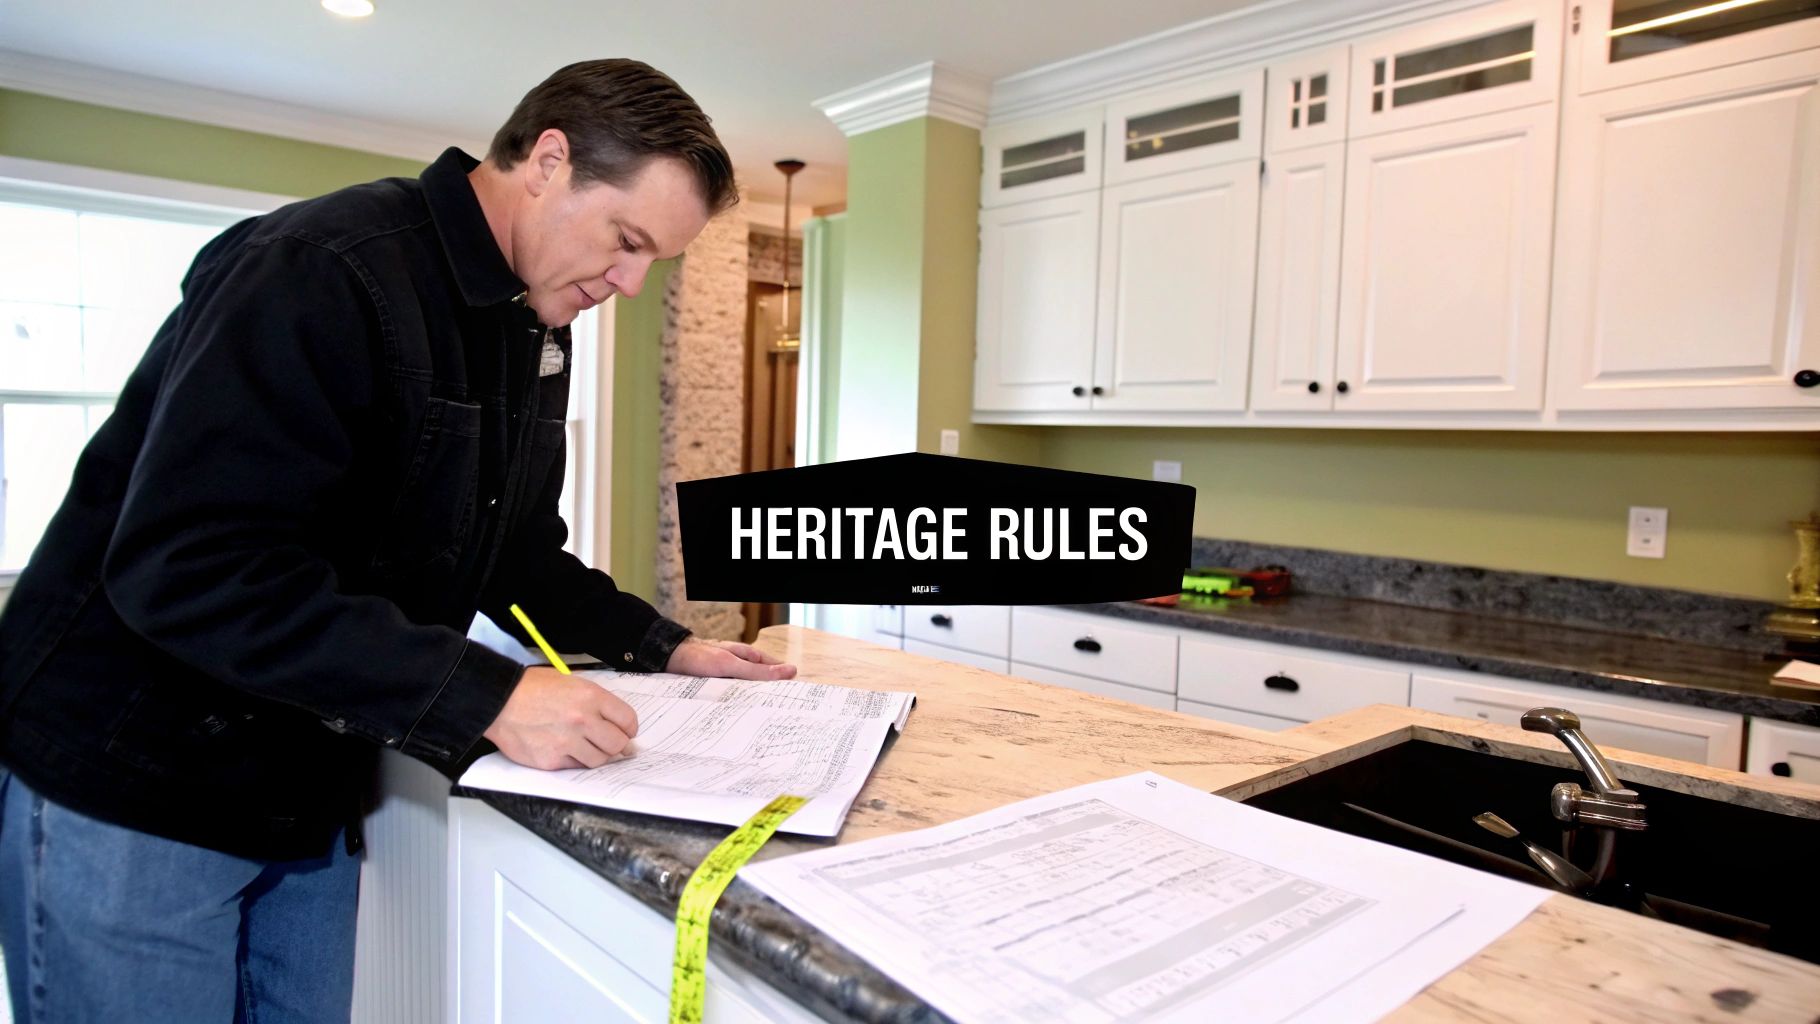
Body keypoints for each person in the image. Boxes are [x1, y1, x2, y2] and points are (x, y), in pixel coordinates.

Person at [0, 58, 791, 1022]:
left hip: (306, 780)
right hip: (136, 776)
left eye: (651, 263)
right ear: (548, 160)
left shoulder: (529, 322)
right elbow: (189, 566)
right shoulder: (321, 268)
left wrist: (665, 644)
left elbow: (514, 551)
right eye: (626, 242)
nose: (628, 283)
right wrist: (485, 694)